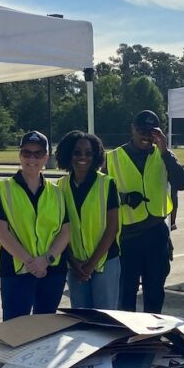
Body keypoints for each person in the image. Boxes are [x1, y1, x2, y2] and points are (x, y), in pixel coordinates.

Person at [106, 109, 184, 313]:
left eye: (151, 132)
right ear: (132, 130)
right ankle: (127, 338)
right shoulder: (113, 158)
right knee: (126, 293)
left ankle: (151, 336)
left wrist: (165, 151)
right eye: (141, 130)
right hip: (127, 236)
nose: (145, 136)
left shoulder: (163, 155)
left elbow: (182, 182)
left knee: (154, 292)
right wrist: (124, 198)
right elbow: (101, 196)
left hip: (156, 233)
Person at [0, 131, 71, 321]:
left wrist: (46, 259)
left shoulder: (56, 192)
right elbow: (0, 231)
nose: (31, 158)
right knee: (15, 329)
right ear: (20, 155)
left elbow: (65, 231)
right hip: (17, 271)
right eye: (26, 153)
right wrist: (31, 262)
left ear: (46, 158)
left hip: (52, 270)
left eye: (38, 154)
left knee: (45, 329)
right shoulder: (4, 189)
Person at [55, 130, 121, 309]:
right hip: (75, 264)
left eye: (88, 153)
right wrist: (73, 262)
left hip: (104, 262)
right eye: (77, 152)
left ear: (96, 155)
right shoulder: (60, 186)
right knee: (80, 318)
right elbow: (59, 228)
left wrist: (91, 264)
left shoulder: (107, 184)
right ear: (69, 154)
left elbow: (112, 227)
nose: (82, 157)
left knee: (105, 319)